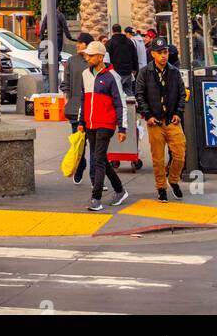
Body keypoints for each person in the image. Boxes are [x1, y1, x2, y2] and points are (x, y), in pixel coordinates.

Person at [77, 40, 128, 212]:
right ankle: (120, 190)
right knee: (101, 159)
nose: (87, 58)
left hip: (106, 123)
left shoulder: (113, 76)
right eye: (87, 55)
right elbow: (83, 99)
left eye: (90, 55)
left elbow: (120, 103)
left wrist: (122, 127)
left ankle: (96, 197)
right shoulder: (85, 74)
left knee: (97, 159)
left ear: (100, 57)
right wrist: (81, 121)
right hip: (90, 123)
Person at [135, 36, 187, 202]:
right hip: (155, 122)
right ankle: (161, 187)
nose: (163, 55)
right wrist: (148, 115)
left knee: (180, 154)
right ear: (153, 54)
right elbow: (140, 95)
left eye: (165, 52)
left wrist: (178, 113)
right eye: (160, 53)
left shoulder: (174, 72)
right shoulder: (144, 73)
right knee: (158, 159)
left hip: (172, 120)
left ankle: (173, 180)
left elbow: (181, 94)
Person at [61, 30, 95, 184]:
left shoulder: (94, 61)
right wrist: (66, 101)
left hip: (93, 110)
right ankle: (80, 167)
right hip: (76, 110)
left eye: (80, 43)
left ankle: (95, 178)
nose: (77, 45)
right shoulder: (71, 61)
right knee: (79, 144)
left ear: (87, 45)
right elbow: (65, 83)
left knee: (95, 147)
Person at [107, 24, 139, 96]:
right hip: (128, 72)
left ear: (112, 31)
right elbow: (134, 56)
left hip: (115, 72)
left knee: (116, 93)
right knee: (129, 92)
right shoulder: (129, 42)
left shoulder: (109, 43)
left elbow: (107, 58)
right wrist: (135, 69)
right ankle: (131, 106)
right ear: (121, 30)